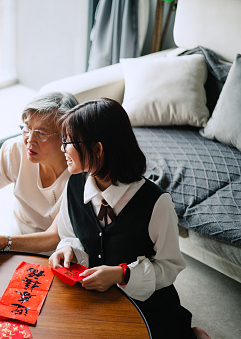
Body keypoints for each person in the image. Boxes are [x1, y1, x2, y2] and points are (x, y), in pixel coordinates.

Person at [48, 98, 209, 339]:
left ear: (98, 149)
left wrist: (122, 274)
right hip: (93, 293)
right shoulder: (74, 185)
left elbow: (170, 266)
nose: (63, 149)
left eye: (68, 142)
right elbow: (70, 235)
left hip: (147, 303)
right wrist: (68, 249)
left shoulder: (156, 203)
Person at [0, 92, 79, 255]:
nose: (29, 140)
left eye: (41, 133)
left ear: (65, 137)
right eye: (27, 128)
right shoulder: (18, 149)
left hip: (57, 255)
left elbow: (54, 236)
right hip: (15, 245)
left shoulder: (79, 172)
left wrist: (2, 242)